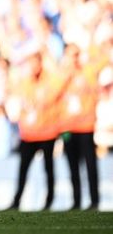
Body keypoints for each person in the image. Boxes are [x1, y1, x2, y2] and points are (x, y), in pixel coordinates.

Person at [8, 50, 65, 211]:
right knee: (23, 168)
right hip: (29, 133)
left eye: (35, 63)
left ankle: (49, 200)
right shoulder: (25, 82)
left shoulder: (50, 80)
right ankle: (17, 200)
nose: (33, 67)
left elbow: (58, 85)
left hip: (47, 131)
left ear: (41, 63)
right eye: (30, 63)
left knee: (48, 168)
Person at [60, 44, 105, 211]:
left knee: (90, 164)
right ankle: (76, 200)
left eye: (76, 55)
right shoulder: (61, 75)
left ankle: (94, 200)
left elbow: (95, 90)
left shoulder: (87, 73)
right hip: (67, 128)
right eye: (71, 55)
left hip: (85, 126)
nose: (74, 59)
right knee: (72, 165)